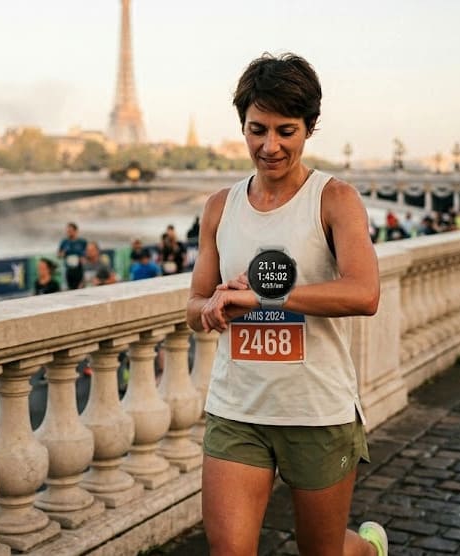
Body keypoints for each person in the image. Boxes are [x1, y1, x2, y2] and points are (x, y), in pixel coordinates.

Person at [186, 53, 387, 556]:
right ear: (243, 126)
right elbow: (192, 306)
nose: (269, 146)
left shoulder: (334, 199)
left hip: (316, 410)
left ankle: (367, 550)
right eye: (257, 130)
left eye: (285, 131)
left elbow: (365, 293)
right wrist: (210, 308)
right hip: (238, 408)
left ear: (309, 128)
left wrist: (263, 295)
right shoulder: (219, 207)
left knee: (323, 552)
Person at [58, 222, 88, 290]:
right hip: (68, 269)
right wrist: (62, 254)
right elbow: (59, 254)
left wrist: (83, 258)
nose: (69, 233)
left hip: (79, 268)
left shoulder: (82, 242)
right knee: (69, 288)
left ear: (76, 231)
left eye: (70, 231)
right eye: (68, 231)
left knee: (81, 287)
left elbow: (88, 254)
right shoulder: (64, 242)